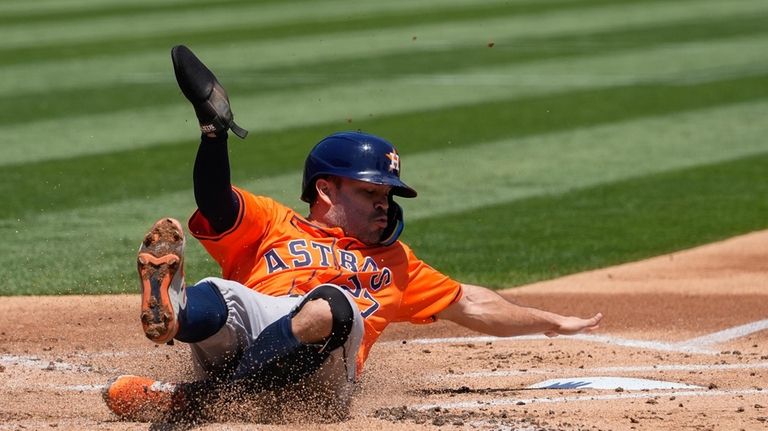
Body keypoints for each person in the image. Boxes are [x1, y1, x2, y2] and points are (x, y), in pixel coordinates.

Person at [102, 45, 602, 423]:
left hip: (321, 379)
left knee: (331, 305)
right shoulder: (272, 222)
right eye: (371, 194)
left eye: (388, 197)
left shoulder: (397, 263)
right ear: (326, 191)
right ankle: (177, 316)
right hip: (251, 343)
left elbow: (471, 303)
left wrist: (549, 321)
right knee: (222, 294)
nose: (384, 206)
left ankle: (198, 399)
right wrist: (213, 136)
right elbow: (215, 201)